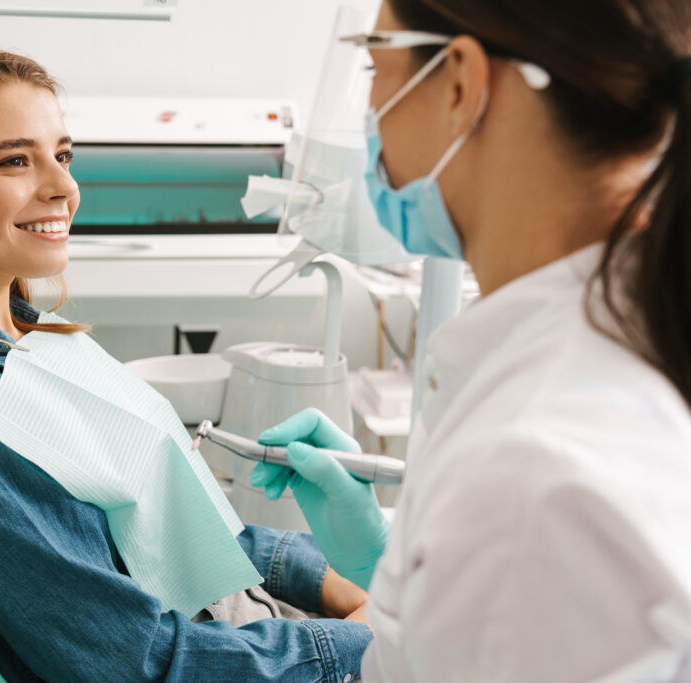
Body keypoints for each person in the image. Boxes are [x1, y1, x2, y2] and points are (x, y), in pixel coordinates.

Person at [0, 46, 374, 681]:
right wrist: (361, 642)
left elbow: (175, 519)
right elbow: (141, 665)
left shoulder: (38, 342)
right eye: (15, 161)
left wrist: (340, 586)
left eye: (62, 155)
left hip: (245, 629)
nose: (62, 188)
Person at [251, 0, 691, 680]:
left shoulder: (533, 474)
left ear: (459, 85)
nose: (370, 114)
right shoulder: (616, 340)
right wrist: (390, 558)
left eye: (375, 61)